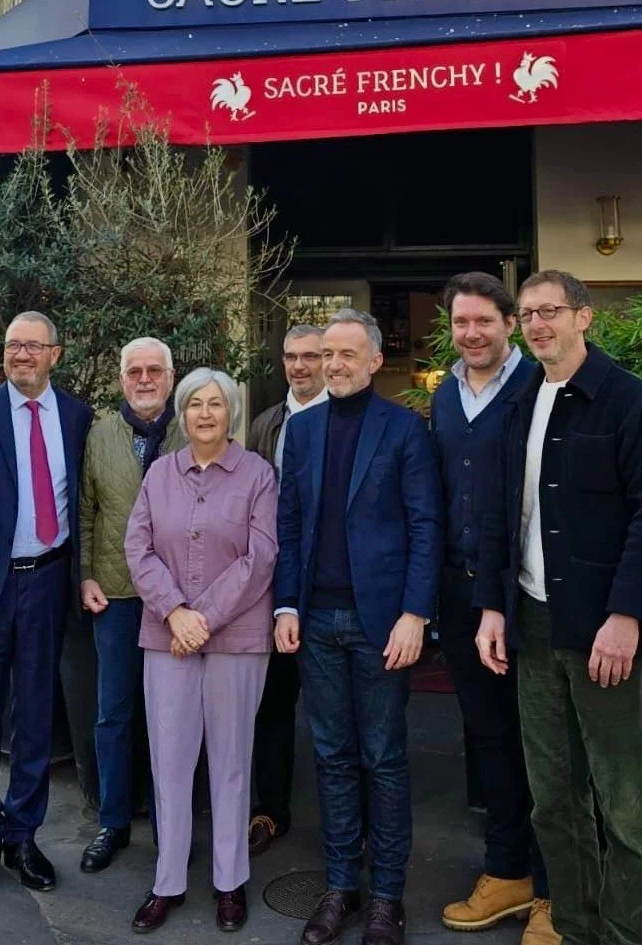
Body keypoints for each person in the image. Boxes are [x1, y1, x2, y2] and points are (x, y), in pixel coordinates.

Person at [475, 271, 642, 945]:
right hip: (533, 626)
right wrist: (492, 608)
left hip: (605, 631)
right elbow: (497, 514)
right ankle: (574, 927)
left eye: (551, 311)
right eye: (528, 313)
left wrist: (628, 615)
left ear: (584, 317)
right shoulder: (521, 403)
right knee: (555, 804)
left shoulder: (630, 401)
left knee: (622, 811)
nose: (537, 323)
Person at [274, 308, 443, 945]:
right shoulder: (305, 429)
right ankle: (342, 885)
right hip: (315, 620)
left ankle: (387, 898)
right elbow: (289, 525)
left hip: (382, 623)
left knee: (383, 758)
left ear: (374, 361)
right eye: (326, 355)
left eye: (347, 354)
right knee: (332, 755)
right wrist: (285, 604)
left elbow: (427, 524)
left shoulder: (404, 429)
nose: (333, 365)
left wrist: (414, 614)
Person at [125, 368, 278, 934]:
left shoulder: (257, 474)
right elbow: (136, 547)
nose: (205, 414)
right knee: (169, 761)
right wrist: (176, 612)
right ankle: (167, 881)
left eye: (216, 404)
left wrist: (203, 618)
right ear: (182, 414)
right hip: (167, 636)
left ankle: (230, 882)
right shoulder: (160, 473)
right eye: (195, 405)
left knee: (232, 761)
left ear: (230, 413)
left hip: (236, 638)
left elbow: (259, 558)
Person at [430, 273, 557, 945]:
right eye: (460, 322)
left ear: (509, 322)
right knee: (490, 739)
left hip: (517, 596)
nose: (471, 332)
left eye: (483, 320)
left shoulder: (537, 388)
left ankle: (552, 888)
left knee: (541, 743)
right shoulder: (445, 395)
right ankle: (507, 872)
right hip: (458, 594)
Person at [0, 312, 93, 898]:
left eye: (33, 346)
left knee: (35, 713)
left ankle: (23, 834)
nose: (22, 355)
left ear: (55, 354)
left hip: (48, 581)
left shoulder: (80, 417)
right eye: (13, 346)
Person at [78, 337, 183, 873]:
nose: (144, 379)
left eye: (154, 370)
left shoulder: (192, 428)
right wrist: (86, 575)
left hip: (178, 601)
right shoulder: (100, 435)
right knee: (113, 713)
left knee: (174, 718)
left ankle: (173, 824)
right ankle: (113, 821)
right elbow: (87, 512)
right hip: (117, 596)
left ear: (170, 376)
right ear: (122, 379)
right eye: (134, 371)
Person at [246, 323, 328, 857]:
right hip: (271, 586)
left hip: (326, 587)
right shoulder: (265, 424)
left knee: (330, 710)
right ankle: (269, 810)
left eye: (310, 357)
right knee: (271, 704)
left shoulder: (342, 417)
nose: (299, 367)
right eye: (290, 357)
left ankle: (344, 824)